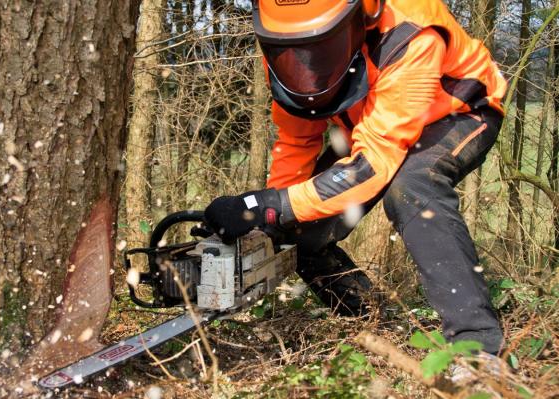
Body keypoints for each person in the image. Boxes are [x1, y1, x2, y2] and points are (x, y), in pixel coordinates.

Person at [204, 0, 506, 360]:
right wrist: (272, 216)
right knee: (298, 224)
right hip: (371, 123)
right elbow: (297, 142)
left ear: (364, 15)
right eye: (296, 50)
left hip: (455, 109)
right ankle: (371, 322)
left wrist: (267, 206)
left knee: (410, 185)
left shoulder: (411, 35)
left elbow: (374, 165)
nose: (307, 61)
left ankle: (477, 345)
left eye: (321, 46)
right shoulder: (287, 54)